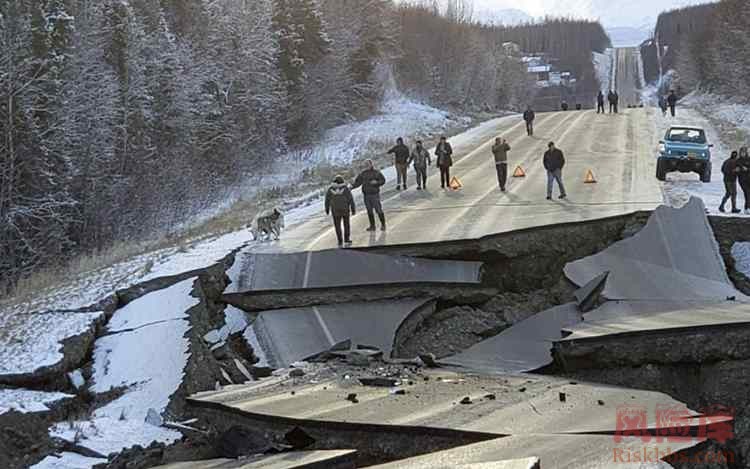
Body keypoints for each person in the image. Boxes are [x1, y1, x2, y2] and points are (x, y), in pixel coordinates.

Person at [351, 159, 386, 231]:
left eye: (368, 164)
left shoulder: (376, 172)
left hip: (375, 194)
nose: (366, 166)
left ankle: (383, 225)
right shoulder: (362, 174)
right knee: (369, 211)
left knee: (378, 210)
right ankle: (372, 226)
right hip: (366, 195)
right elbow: (358, 183)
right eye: (365, 164)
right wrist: (352, 187)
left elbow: (383, 181)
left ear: (371, 164)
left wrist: (376, 182)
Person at [325, 175, 356, 247]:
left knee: (337, 226)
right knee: (346, 225)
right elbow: (351, 199)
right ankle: (347, 239)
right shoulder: (345, 189)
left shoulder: (330, 189)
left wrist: (327, 209)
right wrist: (353, 209)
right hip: (345, 210)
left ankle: (340, 241)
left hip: (335, 211)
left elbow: (327, 200)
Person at [738, 147, 750, 214]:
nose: (743, 153)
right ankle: (747, 208)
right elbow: (736, 169)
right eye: (741, 152)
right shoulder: (738, 160)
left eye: (744, 152)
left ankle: (747, 208)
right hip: (742, 180)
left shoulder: (749, 159)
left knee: (748, 194)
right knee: (747, 193)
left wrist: (747, 169)